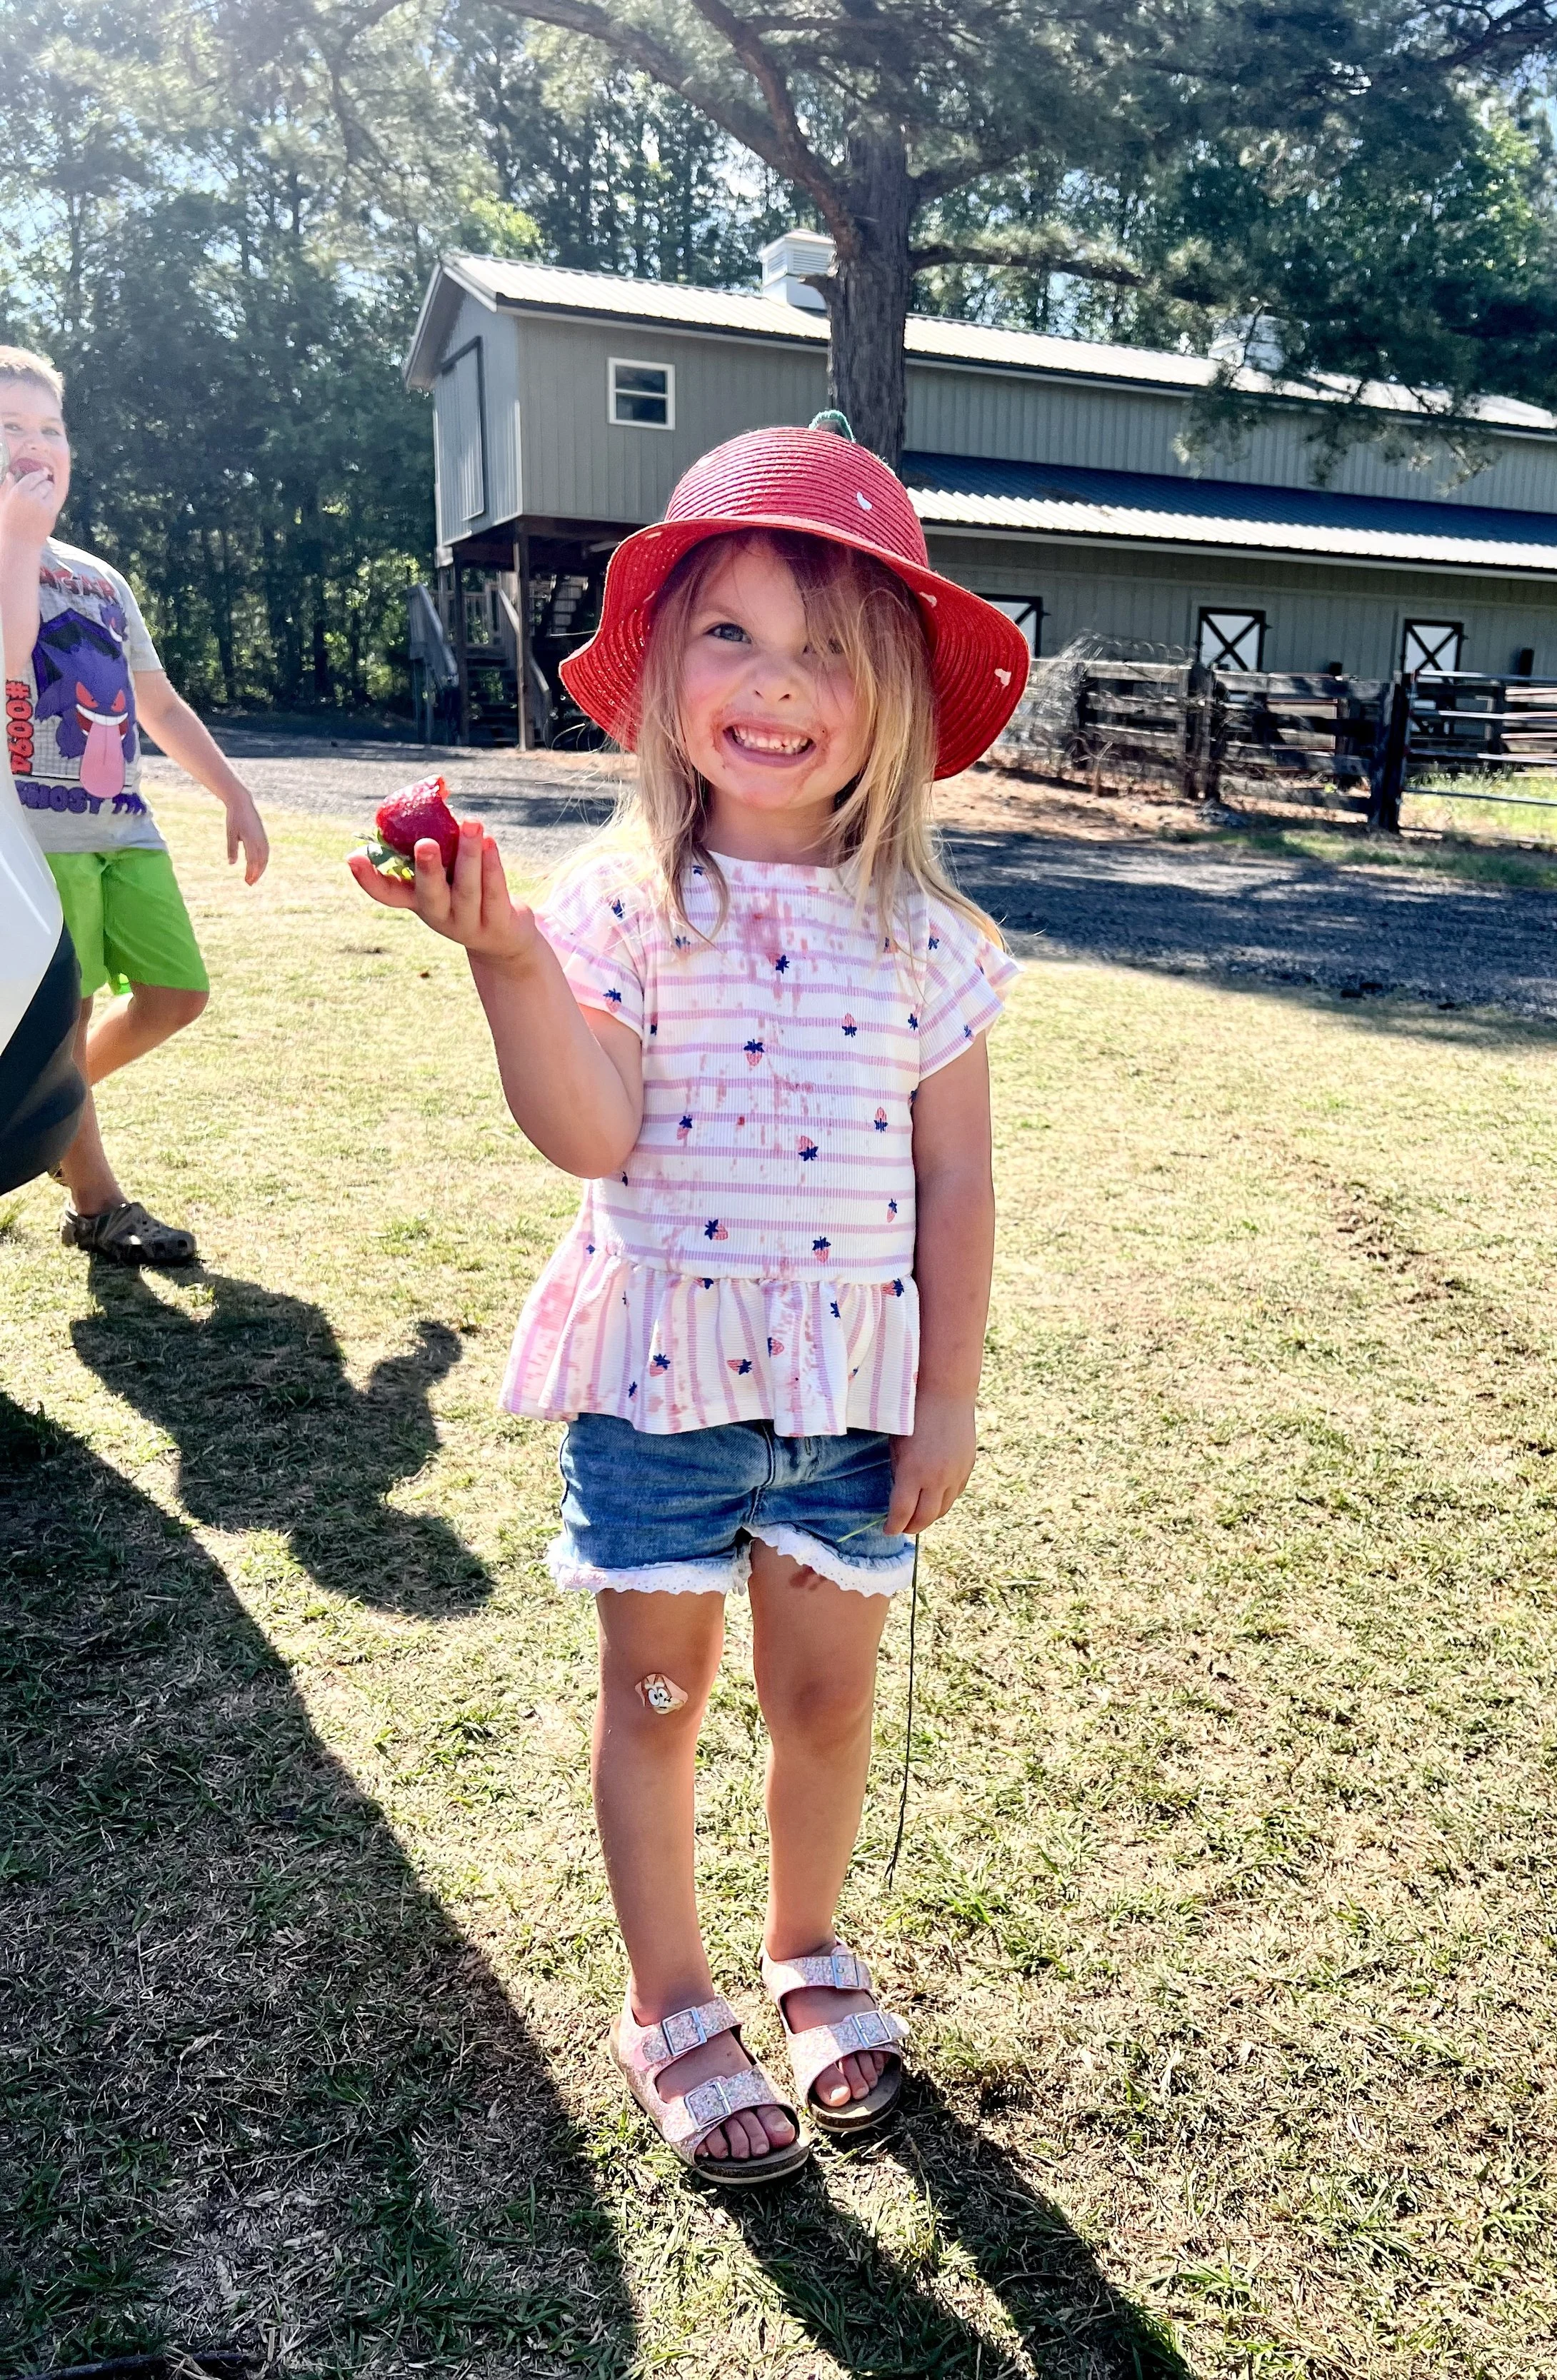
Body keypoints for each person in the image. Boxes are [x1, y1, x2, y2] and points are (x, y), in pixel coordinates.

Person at [349, 424, 1030, 2184]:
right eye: (727, 633)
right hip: (656, 1385)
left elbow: (953, 1180)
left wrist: (945, 1395)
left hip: (848, 1400)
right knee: (654, 1697)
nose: (775, 684)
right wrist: (509, 963)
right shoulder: (622, 906)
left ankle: (807, 1952)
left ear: (891, 694)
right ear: (659, 674)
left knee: (820, 1704)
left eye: (824, 649)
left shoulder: (927, 936)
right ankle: (670, 1998)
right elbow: (589, 1129)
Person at [0, 346, 269, 1266]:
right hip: (34, 845)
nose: (36, 446)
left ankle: (34, 1118)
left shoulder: (103, 578)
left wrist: (231, 789)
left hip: (125, 829)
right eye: (8, 429)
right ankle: (97, 1204)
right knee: (62, 1020)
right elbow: (9, 660)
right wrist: (17, 544)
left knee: (175, 995)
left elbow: (156, 700)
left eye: (50, 428)